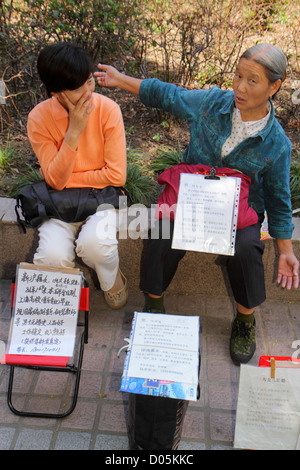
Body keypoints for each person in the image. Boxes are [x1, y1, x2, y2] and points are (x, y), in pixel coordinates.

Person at [95, 43, 299, 363]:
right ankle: (154, 305)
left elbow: (278, 200)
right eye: (238, 75)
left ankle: (245, 320)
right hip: (190, 197)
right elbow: (169, 95)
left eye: (252, 80)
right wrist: (121, 80)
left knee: (247, 248)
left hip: (237, 212)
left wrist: (286, 251)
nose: (240, 87)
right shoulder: (211, 104)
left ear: (275, 85)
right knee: (161, 231)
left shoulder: (276, 144)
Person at [27, 42, 128, 310]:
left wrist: (63, 179)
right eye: (77, 88)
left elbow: (116, 176)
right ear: (56, 93)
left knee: (96, 244)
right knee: (51, 255)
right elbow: (56, 182)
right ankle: (61, 308)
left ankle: (112, 280)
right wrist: (73, 131)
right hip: (61, 204)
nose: (87, 92)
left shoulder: (108, 110)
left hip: (101, 200)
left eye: (88, 82)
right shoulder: (39, 119)